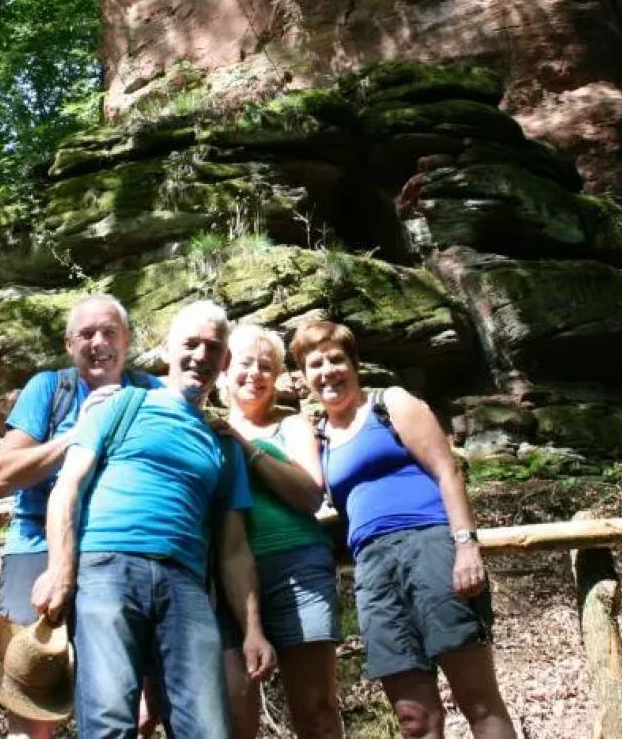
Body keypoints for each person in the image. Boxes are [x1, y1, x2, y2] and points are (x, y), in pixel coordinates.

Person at [32, 300, 277, 738]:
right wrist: (60, 571)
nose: (201, 356)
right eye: (191, 344)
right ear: (167, 348)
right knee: (109, 721)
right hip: (107, 567)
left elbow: (234, 550)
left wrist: (253, 631)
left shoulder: (223, 445)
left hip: (185, 584)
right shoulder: (121, 403)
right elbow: (67, 486)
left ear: (223, 361)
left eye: (212, 348)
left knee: (207, 728)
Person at [293, 319, 516, 739]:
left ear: (355, 364)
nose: (327, 371)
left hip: (429, 547)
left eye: (336, 360)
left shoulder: (389, 403)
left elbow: (447, 471)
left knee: (478, 700)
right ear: (305, 377)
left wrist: (466, 546)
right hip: (372, 570)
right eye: (315, 364)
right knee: (415, 719)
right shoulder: (319, 439)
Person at [0, 293, 155, 739]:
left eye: (109, 332)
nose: (98, 342)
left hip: (123, 551)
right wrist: (79, 434)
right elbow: (3, 475)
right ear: (69, 344)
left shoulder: (150, 393)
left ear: (128, 339)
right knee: (32, 705)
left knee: (128, 708)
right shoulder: (50, 389)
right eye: (86, 334)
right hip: (38, 546)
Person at [217, 324, 344, 739]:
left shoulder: (291, 426)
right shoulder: (206, 430)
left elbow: (309, 494)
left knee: (316, 712)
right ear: (223, 369)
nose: (255, 372)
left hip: (298, 570)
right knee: (233, 716)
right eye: (245, 363)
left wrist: (247, 447)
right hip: (227, 580)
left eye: (266, 365)